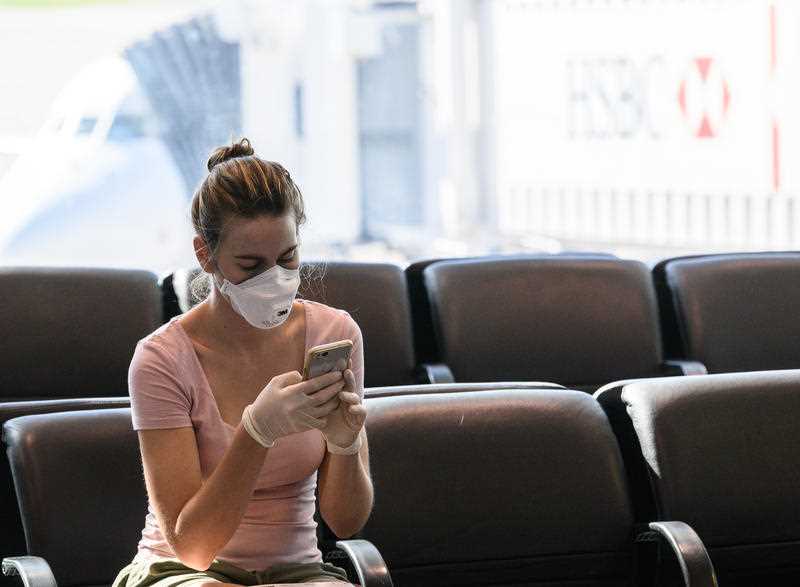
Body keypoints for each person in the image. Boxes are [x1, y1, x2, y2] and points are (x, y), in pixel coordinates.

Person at [112, 138, 373, 587]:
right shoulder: (161, 360)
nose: (275, 279)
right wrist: (257, 433)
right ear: (205, 255)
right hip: (184, 571)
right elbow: (193, 548)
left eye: (287, 258)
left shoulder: (336, 334)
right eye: (251, 265)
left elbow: (347, 525)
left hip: (296, 571)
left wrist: (346, 446)